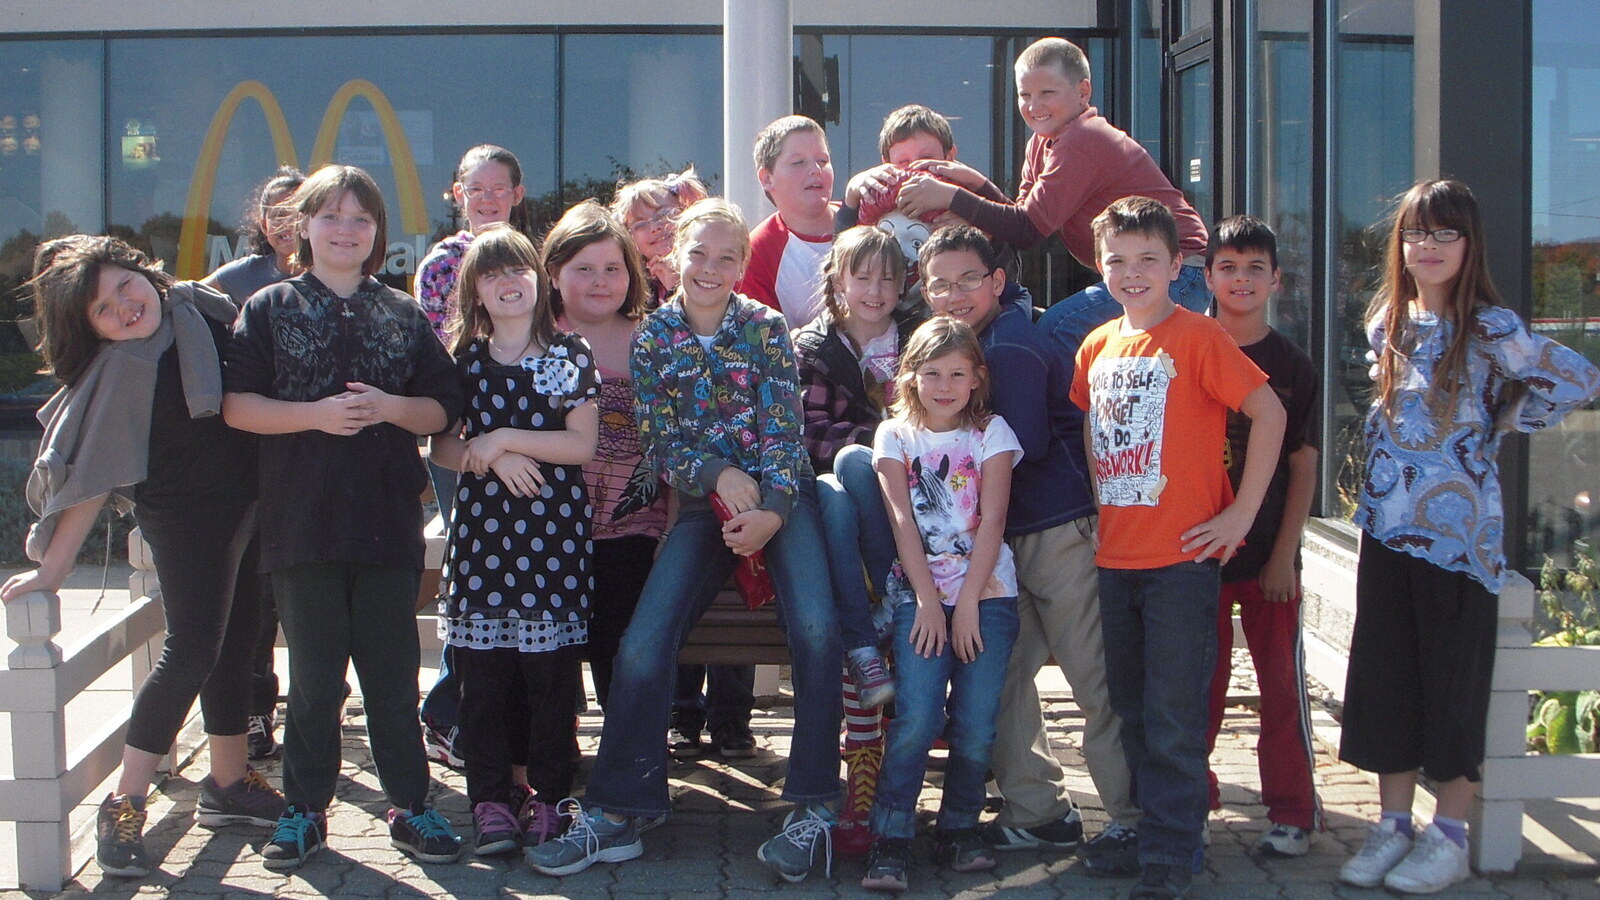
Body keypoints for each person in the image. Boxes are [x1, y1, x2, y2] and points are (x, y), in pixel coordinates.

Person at [525, 199, 843, 883]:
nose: (711, 268)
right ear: (675, 258)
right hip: (705, 506)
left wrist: (773, 509)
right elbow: (662, 441)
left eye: (727, 257)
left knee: (818, 630)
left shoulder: (765, 328)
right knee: (643, 643)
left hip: (783, 500)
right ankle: (619, 812)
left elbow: (785, 429)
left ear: (743, 264)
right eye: (699, 253)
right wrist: (718, 474)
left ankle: (815, 807)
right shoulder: (655, 338)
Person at [1336, 179, 1600, 894]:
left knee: (1453, 684)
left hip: (1460, 543)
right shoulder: (1387, 321)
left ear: (1469, 243)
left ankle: (1448, 835)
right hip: (1387, 528)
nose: (1429, 246)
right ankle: (1393, 825)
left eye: (1445, 232)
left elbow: (1576, 379)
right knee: (1388, 679)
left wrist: (1506, 422)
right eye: (1417, 232)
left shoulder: (1491, 327)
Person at [5, 236, 286, 879]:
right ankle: (125, 802)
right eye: (103, 310)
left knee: (238, 643)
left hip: (247, 504)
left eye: (124, 286)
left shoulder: (202, 309)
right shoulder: (126, 366)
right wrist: (53, 570)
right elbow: (92, 477)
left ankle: (227, 783)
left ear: (144, 271)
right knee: (191, 650)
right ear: (93, 330)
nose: (125, 308)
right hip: (185, 518)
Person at [223, 164, 466, 871]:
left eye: (361, 218)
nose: (345, 230)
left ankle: (411, 806)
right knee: (315, 678)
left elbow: (444, 407)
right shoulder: (268, 307)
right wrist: (317, 416)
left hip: (388, 521)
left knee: (392, 674)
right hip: (301, 523)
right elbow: (237, 407)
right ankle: (305, 809)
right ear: (303, 225)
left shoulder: (402, 312)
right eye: (330, 216)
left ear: (377, 232)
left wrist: (390, 408)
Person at [1070, 196, 1285, 899]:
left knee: (1173, 715)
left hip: (1182, 565)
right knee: (1131, 709)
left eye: (1147, 260)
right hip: (1116, 562)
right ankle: (1146, 830)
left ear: (1175, 267)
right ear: (1100, 266)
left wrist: (1240, 515)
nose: (1132, 273)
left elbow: (1270, 413)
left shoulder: (1199, 336)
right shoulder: (1096, 346)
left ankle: (1173, 850)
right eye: (1117, 260)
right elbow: (1094, 431)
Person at [916, 224, 1135, 860]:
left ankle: (1137, 819)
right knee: (1004, 676)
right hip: (1008, 544)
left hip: (1057, 529)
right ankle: (1039, 811)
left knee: (1094, 679)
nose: (955, 294)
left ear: (997, 281)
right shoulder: (974, 343)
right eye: (940, 284)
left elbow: (1028, 445)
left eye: (968, 280)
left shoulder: (1008, 345)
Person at [429, 225, 599, 857]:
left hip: (552, 544)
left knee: (550, 684)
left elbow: (580, 444)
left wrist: (503, 439)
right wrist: (489, 456)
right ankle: (491, 802)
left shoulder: (570, 353)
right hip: (483, 545)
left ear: (540, 280)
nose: (507, 283)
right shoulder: (464, 359)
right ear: (474, 290)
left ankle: (550, 799)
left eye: (518, 270)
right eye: (492, 273)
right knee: (483, 685)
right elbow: (441, 447)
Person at [859, 317, 1021, 893]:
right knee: (918, 717)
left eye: (957, 374)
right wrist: (929, 601)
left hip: (988, 597)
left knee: (975, 723)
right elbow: (902, 520)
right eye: (932, 373)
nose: (945, 386)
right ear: (910, 377)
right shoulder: (895, 435)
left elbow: (993, 520)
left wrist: (969, 602)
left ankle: (959, 827)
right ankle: (891, 835)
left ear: (977, 378)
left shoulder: (992, 433)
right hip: (920, 597)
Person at [896, 37, 1210, 315]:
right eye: (1024, 95)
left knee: (1058, 328)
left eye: (1047, 92)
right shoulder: (1041, 142)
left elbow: (1027, 230)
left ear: (1083, 91)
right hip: (1134, 271)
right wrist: (978, 183)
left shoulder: (1083, 138)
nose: (1034, 106)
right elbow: (1021, 219)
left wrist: (952, 196)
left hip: (1178, 270)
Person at [612, 170, 756, 761]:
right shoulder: (645, 315)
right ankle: (680, 713)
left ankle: (731, 716)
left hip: (748, 487)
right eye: (640, 222)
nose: (655, 228)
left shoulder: (750, 316)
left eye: (663, 216)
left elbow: (774, 423)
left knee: (739, 580)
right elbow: (659, 433)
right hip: (676, 488)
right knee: (675, 593)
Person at [793, 225, 923, 855]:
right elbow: (808, 433)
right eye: (861, 277)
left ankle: (884, 757)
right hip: (841, 515)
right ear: (837, 282)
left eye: (887, 278)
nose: (874, 290)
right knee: (839, 483)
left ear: (903, 286)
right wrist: (878, 445)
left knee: (852, 471)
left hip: (911, 506)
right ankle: (873, 623)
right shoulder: (814, 347)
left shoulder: (918, 341)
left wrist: (886, 451)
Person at [1200, 216, 1322, 857]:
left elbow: (1303, 464)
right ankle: (1194, 798)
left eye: (1254, 269)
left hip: (1270, 552)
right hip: (1197, 553)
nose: (1240, 280)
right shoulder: (1186, 346)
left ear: (1275, 279)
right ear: (1207, 277)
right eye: (1228, 267)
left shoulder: (1292, 364)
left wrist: (1284, 555)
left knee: (1280, 687)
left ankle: (1293, 809)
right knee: (1199, 685)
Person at [414, 143, 534, 769]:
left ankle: (512, 717)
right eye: (475, 189)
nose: (488, 199)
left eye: (499, 188)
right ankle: (447, 712)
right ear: (458, 195)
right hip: (465, 438)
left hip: (531, 439)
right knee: (471, 572)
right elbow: (441, 356)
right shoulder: (442, 265)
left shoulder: (532, 257)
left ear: (518, 194)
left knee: (522, 571)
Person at [203, 164, 307, 762]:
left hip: (314, 460)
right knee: (256, 599)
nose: (289, 222)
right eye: (277, 212)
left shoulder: (337, 275)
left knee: (315, 597)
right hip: (248, 463)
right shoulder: (231, 282)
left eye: (301, 208)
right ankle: (256, 709)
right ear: (261, 223)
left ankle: (322, 705)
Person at [542, 200, 664, 710]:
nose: (600, 281)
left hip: (635, 530)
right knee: (548, 667)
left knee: (623, 656)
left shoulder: (653, 339)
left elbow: (676, 440)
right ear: (553, 274)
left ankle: (627, 751)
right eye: (584, 269)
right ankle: (555, 747)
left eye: (613, 268)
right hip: (547, 530)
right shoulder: (533, 338)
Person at [737, 115, 836, 329]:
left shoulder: (867, 219)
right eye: (798, 162)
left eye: (822, 160)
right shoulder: (756, 253)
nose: (815, 170)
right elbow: (763, 339)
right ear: (767, 179)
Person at [610, 167, 709, 305]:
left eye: (663, 214)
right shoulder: (631, 289)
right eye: (640, 225)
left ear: (685, 212)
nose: (655, 227)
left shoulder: (711, 267)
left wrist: (676, 286)